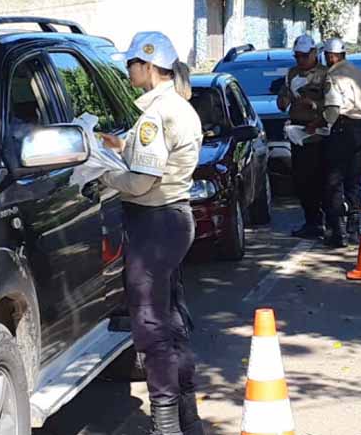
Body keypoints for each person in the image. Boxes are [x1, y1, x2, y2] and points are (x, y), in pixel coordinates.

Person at [98, 31, 205, 435]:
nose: (128, 71)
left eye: (131, 64)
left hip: (154, 223)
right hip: (174, 219)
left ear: (147, 65)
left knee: (150, 325)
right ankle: (186, 416)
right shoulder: (179, 107)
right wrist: (121, 146)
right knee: (172, 321)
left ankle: (165, 423)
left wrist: (101, 173)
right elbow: (153, 157)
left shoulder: (155, 114)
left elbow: (142, 181)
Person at [319, 37, 361, 247]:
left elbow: (332, 108)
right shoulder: (360, 73)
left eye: (326, 56)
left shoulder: (332, 75)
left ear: (331, 56)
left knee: (334, 180)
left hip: (342, 128)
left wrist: (321, 124)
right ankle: (354, 229)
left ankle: (337, 231)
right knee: (354, 179)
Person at [277, 34, 329, 239]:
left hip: (318, 132)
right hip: (297, 134)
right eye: (297, 56)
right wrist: (285, 98)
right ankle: (311, 221)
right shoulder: (291, 74)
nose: (300, 61)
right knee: (301, 181)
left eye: (304, 56)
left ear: (314, 54)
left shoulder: (325, 75)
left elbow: (333, 104)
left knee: (321, 180)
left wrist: (314, 105)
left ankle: (328, 220)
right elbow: (282, 101)